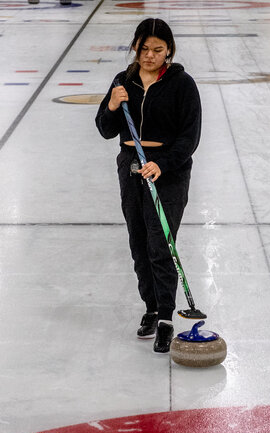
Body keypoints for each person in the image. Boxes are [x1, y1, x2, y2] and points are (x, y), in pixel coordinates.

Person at [95, 18, 202, 354]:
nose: (150, 55)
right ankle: (151, 308)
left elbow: (190, 137)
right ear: (135, 47)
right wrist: (112, 105)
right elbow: (105, 129)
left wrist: (163, 163)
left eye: (158, 49)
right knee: (139, 242)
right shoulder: (122, 81)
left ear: (169, 50)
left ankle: (167, 317)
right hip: (131, 168)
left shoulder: (182, 84)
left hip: (168, 172)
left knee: (160, 244)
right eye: (144, 49)